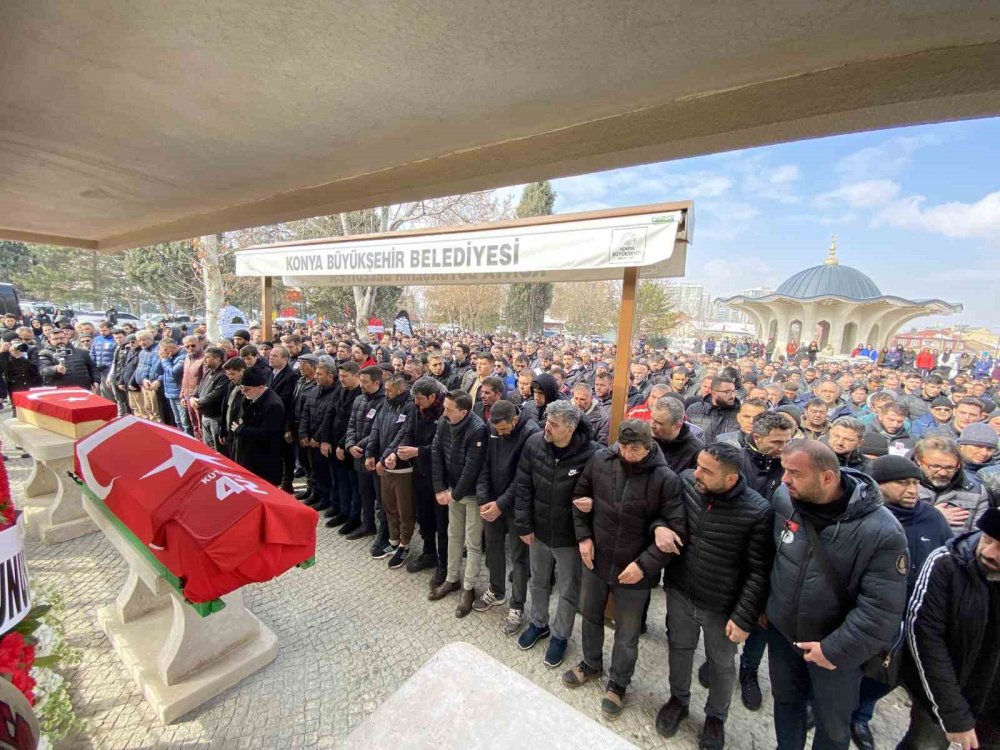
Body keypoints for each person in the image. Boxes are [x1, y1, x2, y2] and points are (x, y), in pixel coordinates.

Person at [766, 440, 908, 750]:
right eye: (784, 470)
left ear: (827, 477)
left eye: (794, 473)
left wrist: (833, 650)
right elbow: (771, 558)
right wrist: (766, 610)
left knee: (832, 725)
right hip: (783, 636)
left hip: (835, 651)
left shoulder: (882, 531)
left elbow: (881, 610)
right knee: (786, 702)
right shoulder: (785, 499)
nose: (784, 479)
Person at [565, 420, 685, 717]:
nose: (628, 454)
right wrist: (583, 538)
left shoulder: (665, 478)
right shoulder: (600, 460)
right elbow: (579, 500)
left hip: (635, 569)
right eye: (624, 448)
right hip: (597, 558)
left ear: (648, 447)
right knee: (590, 615)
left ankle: (618, 683)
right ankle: (591, 663)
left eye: (635, 449)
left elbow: (674, 532)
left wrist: (644, 566)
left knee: (627, 633)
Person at [656, 442, 773, 749]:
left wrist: (744, 617)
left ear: (731, 479)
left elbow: (759, 571)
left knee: (721, 663)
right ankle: (678, 699)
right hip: (681, 590)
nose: (697, 473)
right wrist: (659, 527)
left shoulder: (757, 511)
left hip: (721, 606)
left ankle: (716, 717)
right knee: (679, 648)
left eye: (707, 471)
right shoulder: (687, 484)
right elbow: (663, 514)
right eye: (698, 465)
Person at [848, 455, 953, 750]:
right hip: (863, 610)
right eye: (903, 483)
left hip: (910, 617)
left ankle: (860, 716)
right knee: (848, 666)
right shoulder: (861, 514)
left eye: (916, 483)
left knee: (885, 674)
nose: (912, 490)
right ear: (879, 484)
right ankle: (821, 707)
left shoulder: (933, 519)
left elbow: (946, 563)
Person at [901, 507, 1000, 750]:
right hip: (941, 697)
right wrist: (952, 713)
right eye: (988, 540)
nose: (989, 552)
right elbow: (925, 636)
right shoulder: (947, 563)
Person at [514, 400, 599, 668]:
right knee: (538, 580)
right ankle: (538, 623)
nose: (546, 427)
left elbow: (603, 492)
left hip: (569, 537)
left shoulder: (592, 454)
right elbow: (523, 485)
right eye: (547, 421)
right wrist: (524, 524)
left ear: (570, 428)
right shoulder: (534, 444)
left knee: (568, 589)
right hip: (538, 531)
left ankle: (560, 636)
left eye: (553, 424)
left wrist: (594, 504)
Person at [475, 399, 540, 633]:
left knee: (519, 557)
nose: (500, 433)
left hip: (517, 506)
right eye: (497, 429)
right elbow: (483, 465)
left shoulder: (531, 433)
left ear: (514, 419)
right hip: (492, 502)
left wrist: (501, 504)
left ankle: (517, 605)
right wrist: (484, 499)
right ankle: (496, 590)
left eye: (504, 429)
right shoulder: (492, 428)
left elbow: (524, 477)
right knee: (493, 549)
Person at [428, 390, 487, 617]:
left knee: (472, 542)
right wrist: (439, 488)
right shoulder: (445, 421)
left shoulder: (478, 429)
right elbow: (436, 450)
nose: (443, 413)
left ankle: (469, 588)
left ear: (463, 412)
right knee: (453, 535)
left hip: (470, 495)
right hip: (452, 490)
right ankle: (452, 579)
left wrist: (454, 494)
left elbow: (472, 467)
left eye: (448, 409)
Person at [391, 376, 448, 581]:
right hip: (420, 472)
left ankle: (445, 564)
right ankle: (429, 553)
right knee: (424, 517)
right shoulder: (416, 409)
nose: (416, 402)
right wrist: (399, 452)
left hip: (440, 475)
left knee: (442, 522)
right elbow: (408, 432)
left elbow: (444, 446)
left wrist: (418, 451)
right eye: (415, 398)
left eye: (421, 399)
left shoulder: (446, 412)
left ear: (433, 396)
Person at [368, 374, 416, 568]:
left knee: (405, 510)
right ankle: (393, 540)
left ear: (401, 390)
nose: (385, 393)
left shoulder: (410, 407)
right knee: (389, 507)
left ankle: (405, 545)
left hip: (401, 467)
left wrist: (386, 456)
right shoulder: (385, 404)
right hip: (384, 464)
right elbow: (376, 429)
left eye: (389, 390)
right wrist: (371, 452)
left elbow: (404, 434)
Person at [344, 366, 387, 554]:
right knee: (365, 493)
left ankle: (384, 533)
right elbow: (351, 424)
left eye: (365, 382)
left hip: (375, 456)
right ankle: (368, 524)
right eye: (360, 381)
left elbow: (378, 431)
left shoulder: (385, 401)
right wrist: (350, 445)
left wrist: (358, 446)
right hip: (358, 456)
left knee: (381, 499)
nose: (361, 385)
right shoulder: (359, 399)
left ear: (377, 382)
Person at [914, 436, 991, 532]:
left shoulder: (976, 491)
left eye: (950, 468)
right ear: (919, 461)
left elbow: (977, 535)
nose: (943, 473)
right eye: (935, 466)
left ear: (959, 464)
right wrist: (931, 516)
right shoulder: (903, 485)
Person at [230, 366, 285, 486]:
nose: (243, 392)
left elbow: (267, 434)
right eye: (241, 388)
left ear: (260, 387)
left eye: (246, 389)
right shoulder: (251, 398)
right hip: (249, 457)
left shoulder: (273, 405)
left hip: (262, 461)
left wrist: (241, 429)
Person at [299, 360, 339, 514]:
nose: (316, 377)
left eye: (319, 374)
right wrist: (303, 433)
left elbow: (329, 419)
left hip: (324, 441)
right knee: (315, 470)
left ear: (330, 376)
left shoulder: (337, 393)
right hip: (310, 438)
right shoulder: (315, 390)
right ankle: (317, 494)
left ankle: (328, 499)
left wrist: (317, 437)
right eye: (316, 374)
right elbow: (306, 412)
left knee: (326, 473)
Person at [267, 345, 298, 493]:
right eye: (271, 355)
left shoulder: (290, 376)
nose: (271, 357)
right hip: (271, 420)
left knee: (287, 454)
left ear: (285, 359)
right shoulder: (270, 373)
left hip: (284, 420)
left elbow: (285, 400)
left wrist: (287, 427)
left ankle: (287, 483)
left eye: (275, 356)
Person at [651, 396, 705, 474]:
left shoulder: (696, 451)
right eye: (652, 419)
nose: (652, 425)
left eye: (659, 423)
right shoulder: (645, 439)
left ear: (678, 425)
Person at [191, 346, 230, 452]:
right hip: (206, 415)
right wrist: (193, 397)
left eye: (207, 357)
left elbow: (216, 394)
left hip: (216, 418)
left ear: (217, 359)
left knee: (219, 449)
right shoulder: (208, 372)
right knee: (208, 448)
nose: (204, 360)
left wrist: (199, 402)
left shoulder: (224, 375)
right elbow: (199, 386)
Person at [686, 376, 740, 442]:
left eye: (733, 392)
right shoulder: (693, 410)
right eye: (727, 392)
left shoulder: (740, 412)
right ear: (714, 393)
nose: (732, 396)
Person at [571, 381, 610, 445]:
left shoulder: (603, 419)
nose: (578, 403)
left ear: (591, 399)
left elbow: (602, 445)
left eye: (582, 399)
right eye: (576, 398)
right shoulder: (565, 412)